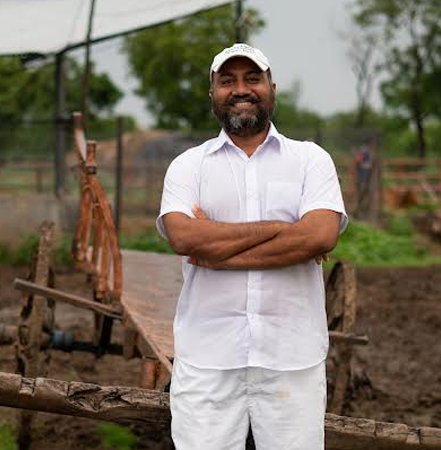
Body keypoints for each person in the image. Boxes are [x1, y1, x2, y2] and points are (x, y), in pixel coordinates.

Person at [156, 43, 349, 450]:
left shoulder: (310, 160)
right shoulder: (188, 166)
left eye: (252, 79)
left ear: (272, 88)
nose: (240, 89)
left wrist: (218, 252)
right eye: (227, 81)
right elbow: (184, 238)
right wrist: (284, 231)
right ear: (212, 94)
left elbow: (319, 236)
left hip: (291, 358)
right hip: (207, 357)